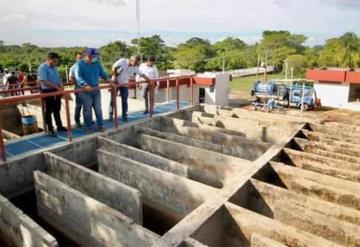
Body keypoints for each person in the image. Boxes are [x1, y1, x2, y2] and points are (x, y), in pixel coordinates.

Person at [75, 48, 109, 133]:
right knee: (87, 110)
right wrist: (85, 85)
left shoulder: (97, 64)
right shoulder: (79, 64)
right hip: (85, 91)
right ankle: (88, 127)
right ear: (87, 55)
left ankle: (100, 126)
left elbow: (103, 74)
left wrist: (110, 81)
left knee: (98, 108)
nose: (94, 58)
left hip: (96, 89)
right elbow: (78, 77)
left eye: (95, 56)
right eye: (92, 56)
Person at [110, 55, 151, 121]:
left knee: (124, 100)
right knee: (113, 99)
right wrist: (115, 78)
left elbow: (141, 74)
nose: (135, 65)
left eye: (137, 63)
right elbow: (113, 67)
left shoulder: (135, 67)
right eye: (135, 63)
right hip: (115, 82)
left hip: (124, 84)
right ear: (131, 60)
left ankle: (124, 115)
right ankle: (111, 113)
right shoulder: (123, 61)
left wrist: (148, 80)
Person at [38, 52, 67, 136]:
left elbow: (58, 77)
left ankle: (59, 126)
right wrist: (57, 87)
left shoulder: (54, 67)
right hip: (47, 91)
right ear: (49, 59)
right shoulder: (42, 67)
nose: (56, 63)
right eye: (54, 61)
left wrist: (61, 87)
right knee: (49, 110)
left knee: (57, 109)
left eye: (57, 61)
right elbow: (44, 80)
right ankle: (50, 128)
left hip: (56, 90)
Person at [69, 52, 84, 128]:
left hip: (86, 90)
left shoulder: (86, 66)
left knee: (88, 106)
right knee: (79, 106)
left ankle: (88, 119)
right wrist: (78, 83)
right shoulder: (73, 67)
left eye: (82, 58)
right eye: (79, 58)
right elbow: (71, 78)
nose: (81, 59)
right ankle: (77, 121)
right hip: (78, 90)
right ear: (76, 59)